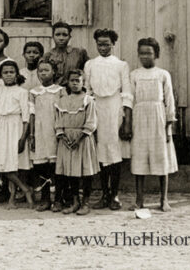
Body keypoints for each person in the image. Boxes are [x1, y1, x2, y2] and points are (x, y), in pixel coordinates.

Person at [83, 28, 132, 209]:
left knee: (114, 152)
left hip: (114, 108)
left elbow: (127, 92)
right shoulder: (90, 64)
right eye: (100, 44)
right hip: (97, 109)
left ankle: (115, 195)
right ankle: (104, 194)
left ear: (113, 44)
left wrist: (126, 121)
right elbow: (87, 91)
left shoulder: (121, 65)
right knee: (100, 152)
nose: (103, 47)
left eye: (107, 44)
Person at [130, 37, 176, 213]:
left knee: (161, 157)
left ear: (156, 54)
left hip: (158, 117)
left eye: (148, 53)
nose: (145, 56)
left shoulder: (163, 74)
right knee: (139, 157)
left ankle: (164, 199)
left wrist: (168, 128)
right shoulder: (134, 75)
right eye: (142, 53)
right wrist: (128, 124)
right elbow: (130, 99)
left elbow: (169, 101)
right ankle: (139, 200)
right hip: (140, 117)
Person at [0, 60, 34, 208]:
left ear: (17, 74)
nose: (8, 75)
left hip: (15, 127)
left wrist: (23, 137)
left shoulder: (22, 92)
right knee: (1, 163)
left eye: (11, 72)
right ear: (0, 75)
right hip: (1, 127)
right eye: (5, 72)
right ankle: (25, 189)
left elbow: (26, 117)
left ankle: (13, 198)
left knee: (14, 164)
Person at [54, 68, 97, 215]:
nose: (74, 83)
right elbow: (58, 121)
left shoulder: (88, 100)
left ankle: (86, 202)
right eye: (72, 81)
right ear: (67, 82)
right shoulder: (62, 101)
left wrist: (79, 139)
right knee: (71, 171)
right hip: (67, 140)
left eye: (78, 81)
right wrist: (63, 137)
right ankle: (75, 201)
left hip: (83, 139)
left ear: (83, 82)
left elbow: (91, 121)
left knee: (86, 171)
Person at [28, 59, 62, 211]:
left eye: (46, 70)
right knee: (41, 166)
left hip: (55, 131)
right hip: (40, 132)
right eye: (40, 71)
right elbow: (32, 114)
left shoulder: (60, 91)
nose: (43, 73)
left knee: (55, 166)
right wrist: (32, 135)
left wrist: (61, 131)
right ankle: (45, 198)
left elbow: (62, 112)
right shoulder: (34, 92)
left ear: (54, 72)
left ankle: (58, 199)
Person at [44, 22, 89, 88]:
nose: (61, 38)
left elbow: (87, 72)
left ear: (69, 37)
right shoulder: (48, 56)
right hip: (54, 90)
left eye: (65, 35)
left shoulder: (79, 53)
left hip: (73, 90)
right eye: (58, 35)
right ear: (53, 36)